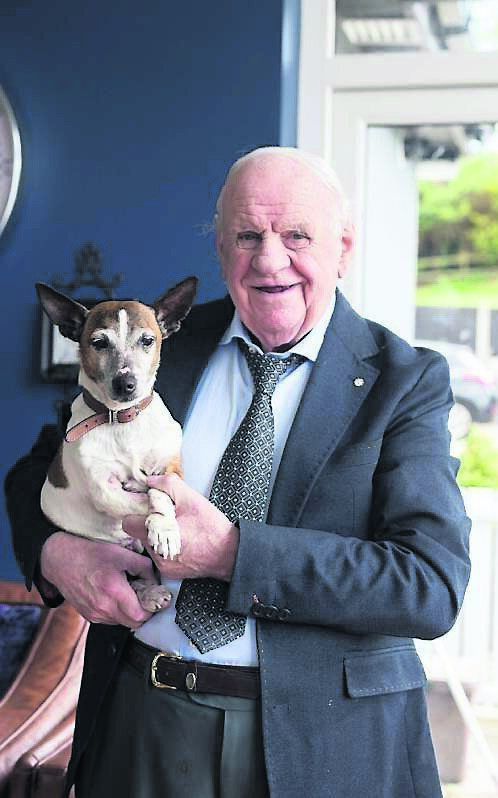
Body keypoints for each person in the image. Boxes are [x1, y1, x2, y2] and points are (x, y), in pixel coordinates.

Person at [6, 146, 471, 798]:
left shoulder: (406, 382)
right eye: (247, 236)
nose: (269, 259)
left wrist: (229, 553)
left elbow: (428, 585)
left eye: (297, 235)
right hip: (142, 716)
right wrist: (59, 554)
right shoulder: (156, 346)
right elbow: (34, 473)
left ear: (343, 247)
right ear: (221, 251)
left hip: (324, 746)